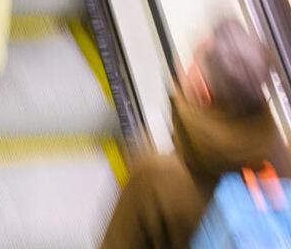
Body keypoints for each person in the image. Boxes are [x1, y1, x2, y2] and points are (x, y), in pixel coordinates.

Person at [95, 20, 290, 249]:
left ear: (202, 90)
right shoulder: (283, 165)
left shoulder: (154, 180)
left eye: (191, 61)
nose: (181, 64)